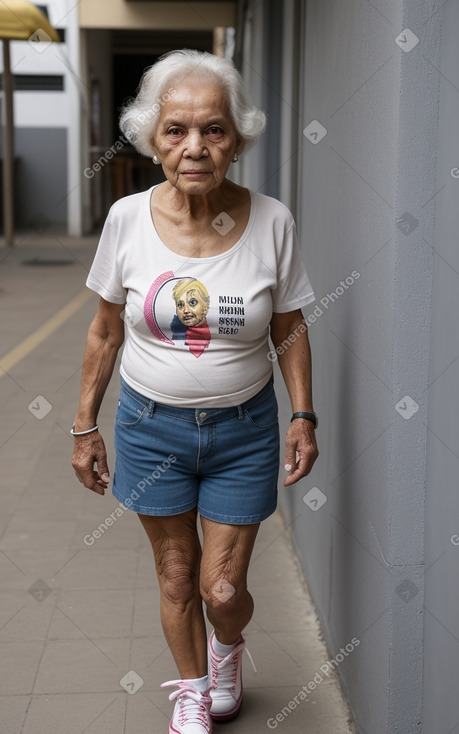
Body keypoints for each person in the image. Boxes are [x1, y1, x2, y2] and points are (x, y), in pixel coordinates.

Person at [71, 48, 319, 734]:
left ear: (237, 138)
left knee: (223, 590)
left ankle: (227, 647)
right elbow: (103, 332)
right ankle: (191, 690)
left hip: (244, 430)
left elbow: (291, 329)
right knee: (178, 577)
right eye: (176, 130)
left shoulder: (272, 221)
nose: (195, 146)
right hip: (150, 429)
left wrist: (302, 415)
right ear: (153, 139)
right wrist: (83, 425)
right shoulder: (125, 219)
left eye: (213, 130)